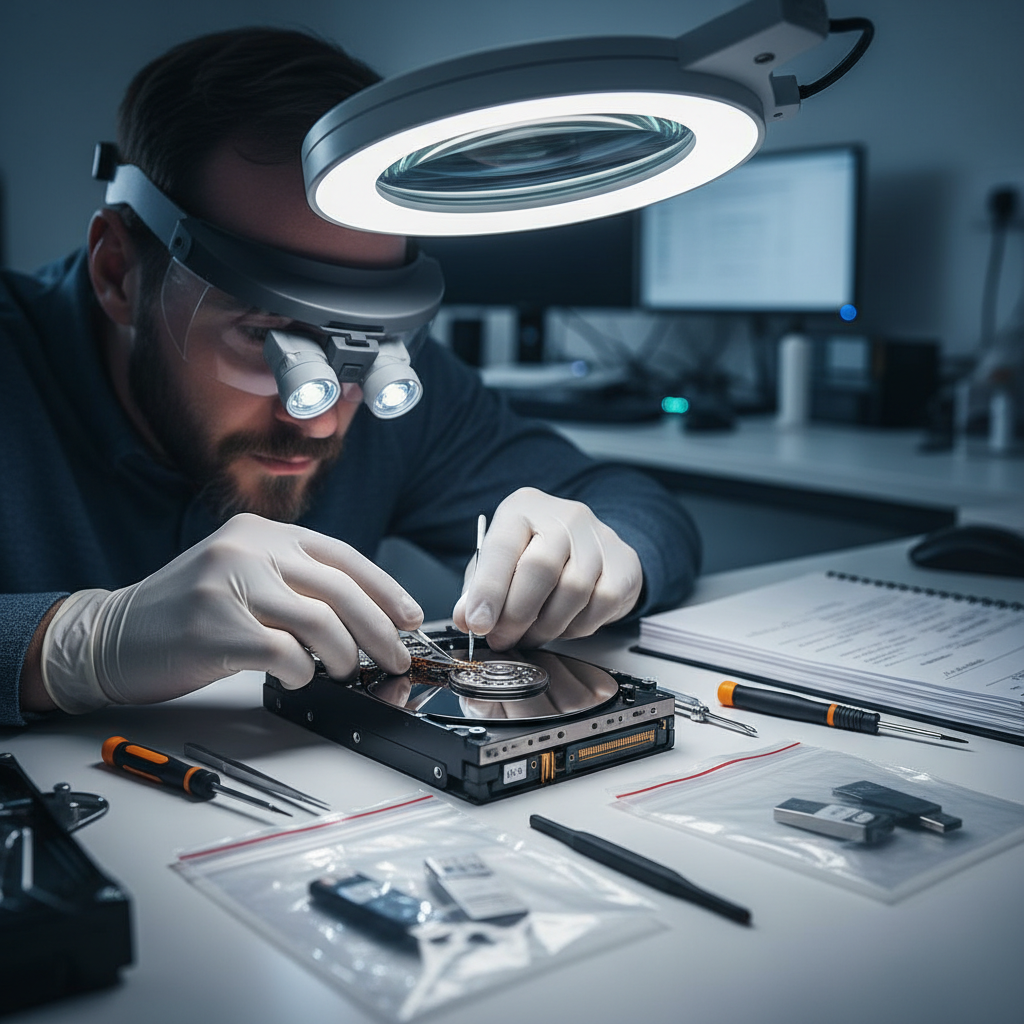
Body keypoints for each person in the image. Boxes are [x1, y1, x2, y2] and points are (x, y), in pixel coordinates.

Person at [0, 28, 700, 727]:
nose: (325, 417)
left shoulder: (402, 385)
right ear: (118, 272)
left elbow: (635, 506)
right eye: (266, 337)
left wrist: (606, 557)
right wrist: (71, 643)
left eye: (372, 343)